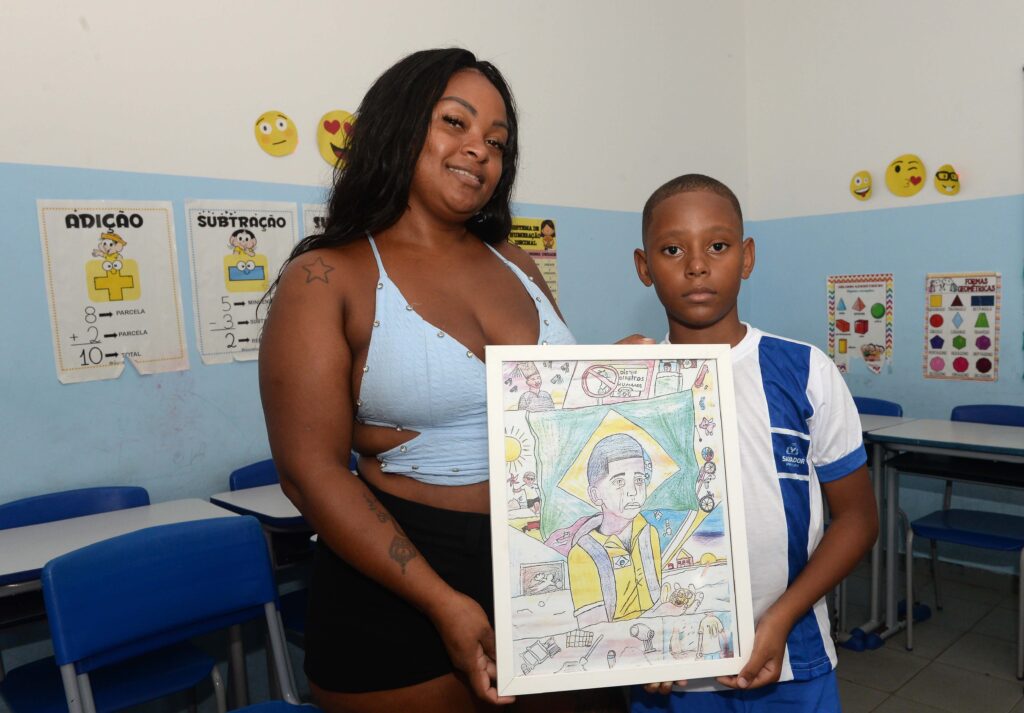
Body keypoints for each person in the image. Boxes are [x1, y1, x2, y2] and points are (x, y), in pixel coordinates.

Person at [259, 49, 578, 712]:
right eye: (455, 122)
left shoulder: (518, 264)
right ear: (400, 127)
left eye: (497, 140)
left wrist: (630, 379)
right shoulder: (326, 277)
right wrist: (440, 600)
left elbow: (562, 412)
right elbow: (310, 473)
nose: (479, 149)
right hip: (396, 580)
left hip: (539, 562)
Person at [629, 174, 878, 712]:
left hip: (793, 657)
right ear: (644, 267)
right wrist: (631, 640)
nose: (697, 266)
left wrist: (782, 618)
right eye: (672, 250)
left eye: (717, 246)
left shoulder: (805, 370)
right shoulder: (626, 378)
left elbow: (858, 519)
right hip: (668, 669)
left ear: (746, 257)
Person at [568, 433, 662, 627]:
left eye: (639, 479)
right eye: (619, 482)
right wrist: (659, 615)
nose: (633, 491)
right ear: (595, 495)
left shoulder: (649, 534)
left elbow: (655, 598)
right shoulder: (582, 554)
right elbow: (594, 630)